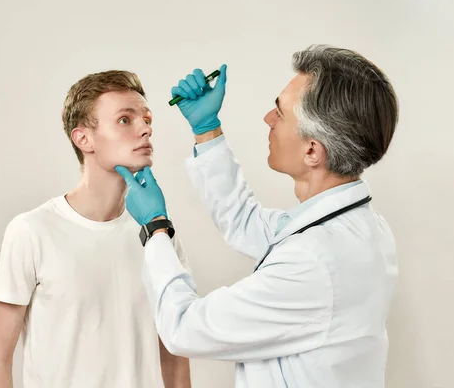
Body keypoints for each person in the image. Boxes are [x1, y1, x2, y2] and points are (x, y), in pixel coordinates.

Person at [115, 44, 399, 388]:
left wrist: (155, 228)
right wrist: (206, 128)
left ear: (312, 150)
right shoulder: (356, 227)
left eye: (279, 113)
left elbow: (184, 328)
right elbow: (245, 222)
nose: (268, 119)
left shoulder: (315, 262)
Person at [0, 70, 191, 388]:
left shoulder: (157, 235)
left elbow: (173, 352)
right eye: (125, 119)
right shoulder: (32, 231)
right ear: (83, 139)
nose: (145, 129)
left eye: (147, 119)